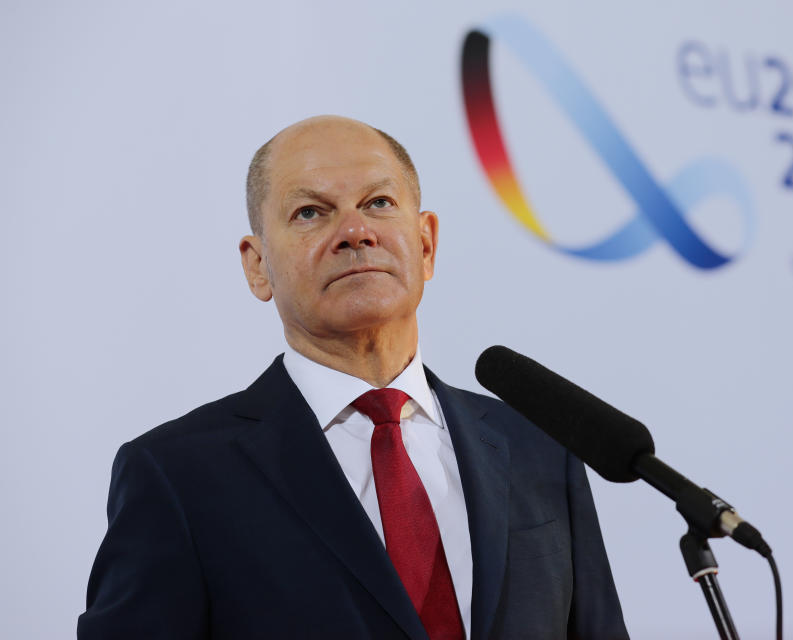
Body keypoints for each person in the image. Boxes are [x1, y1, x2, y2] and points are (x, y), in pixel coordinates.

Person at [78, 116, 629, 639]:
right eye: (311, 212)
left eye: (379, 203)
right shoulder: (178, 476)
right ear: (257, 265)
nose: (355, 231)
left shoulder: (538, 446)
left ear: (426, 243)